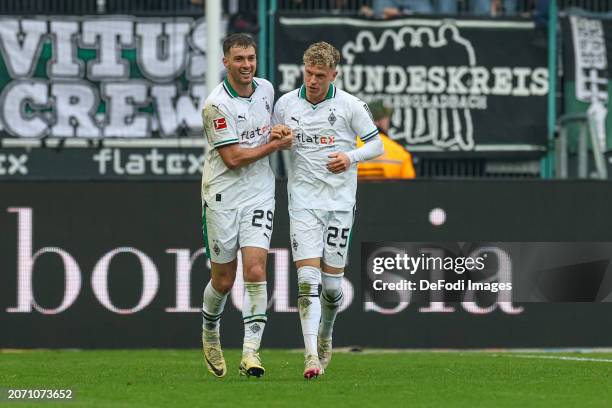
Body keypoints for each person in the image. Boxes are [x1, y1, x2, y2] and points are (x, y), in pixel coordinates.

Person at [272, 42, 384, 379]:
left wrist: (350, 157)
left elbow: (377, 144)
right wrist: (277, 138)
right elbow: (274, 139)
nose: (313, 80)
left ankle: (326, 333)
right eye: (308, 73)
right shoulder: (286, 104)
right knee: (307, 280)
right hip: (303, 202)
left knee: (332, 289)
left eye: (320, 75)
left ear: (334, 74)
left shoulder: (351, 106)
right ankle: (310, 356)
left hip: (338, 205)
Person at [200, 33, 292, 378]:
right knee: (223, 281)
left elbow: (267, 129)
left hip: (259, 192)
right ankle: (210, 331)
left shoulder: (266, 90)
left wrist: (277, 131)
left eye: (251, 58)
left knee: (256, 270)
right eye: (239, 59)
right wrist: (273, 147)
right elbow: (234, 157)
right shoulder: (216, 105)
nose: (246, 65)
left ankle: (250, 352)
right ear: (225, 62)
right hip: (222, 195)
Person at [357, 100, 415, 179]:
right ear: (379, 121)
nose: (389, 121)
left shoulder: (348, 147)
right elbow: (411, 187)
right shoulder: (400, 152)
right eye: (386, 118)